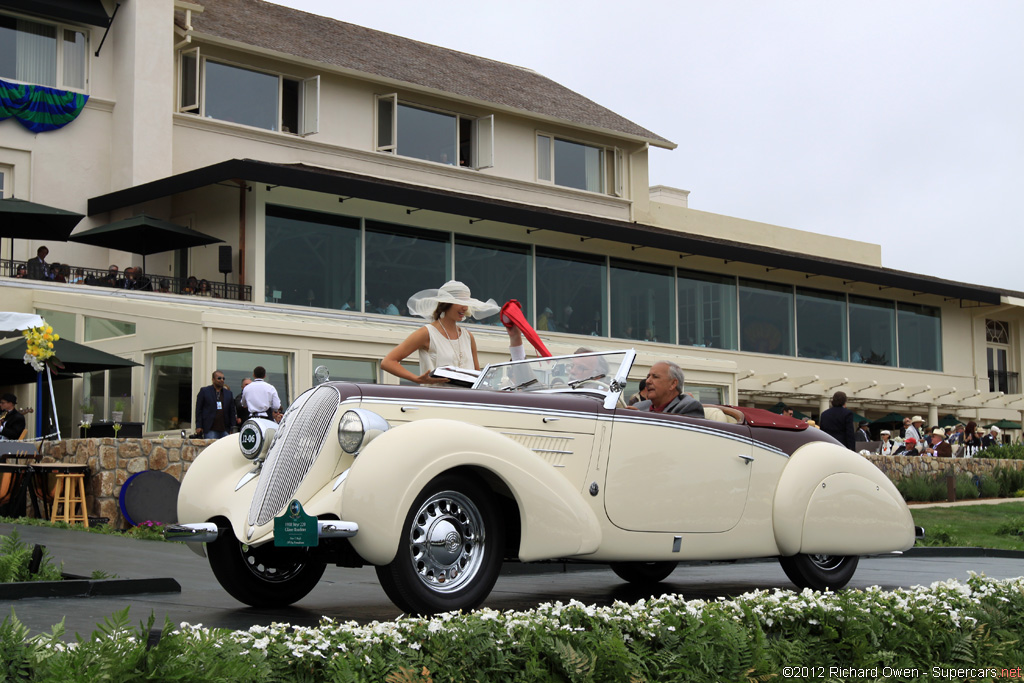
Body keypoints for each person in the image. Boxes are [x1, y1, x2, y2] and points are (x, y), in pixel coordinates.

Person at [381, 280, 521, 385]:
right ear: (445, 303)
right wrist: (416, 379)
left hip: (467, 404)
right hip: (438, 404)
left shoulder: (468, 336)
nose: (465, 307)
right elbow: (388, 362)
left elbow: (476, 376)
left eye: (466, 302)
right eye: (459, 301)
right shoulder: (427, 333)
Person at [633, 361, 704, 417]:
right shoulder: (638, 407)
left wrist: (642, 420)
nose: (647, 381)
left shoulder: (688, 407)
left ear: (673, 384)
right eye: (648, 376)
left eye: (655, 377)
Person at [195, 370, 236, 439]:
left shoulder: (228, 393)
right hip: (210, 429)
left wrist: (233, 427)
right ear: (213, 380)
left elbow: (232, 411)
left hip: (225, 429)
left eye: (223, 378)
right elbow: (199, 409)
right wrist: (199, 426)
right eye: (219, 378)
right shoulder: (205, 391)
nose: (222, 380)